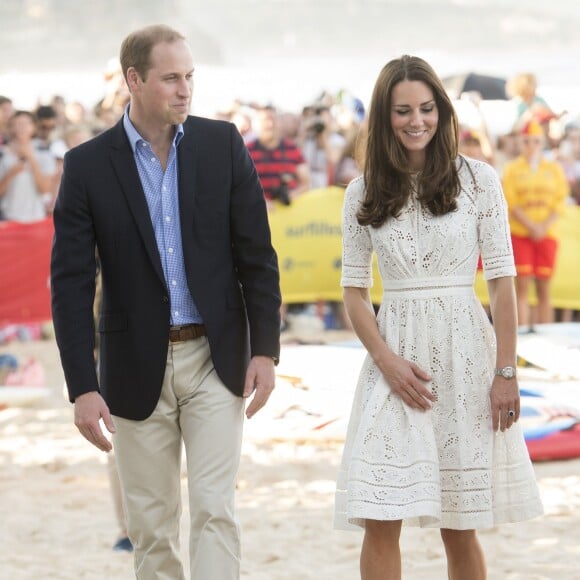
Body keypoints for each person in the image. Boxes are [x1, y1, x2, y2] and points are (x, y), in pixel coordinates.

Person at [50, 24, 281, 580]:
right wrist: (82, 386)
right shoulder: (86, 166)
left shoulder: (222, 144)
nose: (185, 89)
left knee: (214, 509)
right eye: (171, 78)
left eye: (190, 77)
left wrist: (266, 351)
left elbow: (257, 254)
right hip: (133, 368)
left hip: (215, 358)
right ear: (134, 79)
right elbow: (72, 284)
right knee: (151, 527)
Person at [334, 55, 543, 580]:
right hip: (392, 359)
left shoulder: (479, 180)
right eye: (403, 110)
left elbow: (501, 285)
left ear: (441, 112)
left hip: (467, 359)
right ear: (384, 116)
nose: (416, 121)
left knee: (459, 520)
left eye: (426, 108)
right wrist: (387, 362)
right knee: (380, 512)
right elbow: (354, 294)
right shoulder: (361, 193)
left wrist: (505, 371)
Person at [502, 119, 568, 331]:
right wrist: (531, 226)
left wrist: (542, 226)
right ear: (521, 143)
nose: (531, 146)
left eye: (536, 142)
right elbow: (511, 201)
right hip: (521, 233)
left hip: (547, 234)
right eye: (527, 141)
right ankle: (522, 338)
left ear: (542, 143)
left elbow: (560, 200)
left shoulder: (554, 169)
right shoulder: (512, 169)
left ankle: (545, 335)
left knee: (544, 289)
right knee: (521, 288)